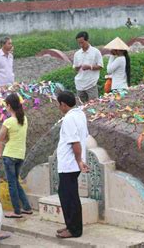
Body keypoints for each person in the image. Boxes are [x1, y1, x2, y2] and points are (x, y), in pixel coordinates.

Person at [55, 91, 90, 239]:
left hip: (69, 165)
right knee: (68, 194)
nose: (59, 107)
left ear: (63, 104)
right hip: (71, 164)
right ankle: (71, 225)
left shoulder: (69, 119)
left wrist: (78, 161)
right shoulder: (80, 114)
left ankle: (74, 229)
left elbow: (75, 142)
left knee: (68, 196)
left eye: (59, 105)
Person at [0, 93, 33, 218]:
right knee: (15, 182)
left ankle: (16, 211)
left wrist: (4, 143)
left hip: (10, 155)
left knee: (12, 183)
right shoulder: (24, 119)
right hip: (20, 155)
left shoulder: (8, 121)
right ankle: (27, 207)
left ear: (9, 106)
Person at [73, 31, 103, 103]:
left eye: (82, 42)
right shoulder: (77, 54)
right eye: (79, 43)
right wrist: (77, 67)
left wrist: (90, 67)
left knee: (93, 105)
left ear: (87, 40)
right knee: (82, 106)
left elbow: (100, 66)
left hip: (91, 83)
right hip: (79, 84)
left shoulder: (95, 52)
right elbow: (75, 68)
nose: (80, 45)